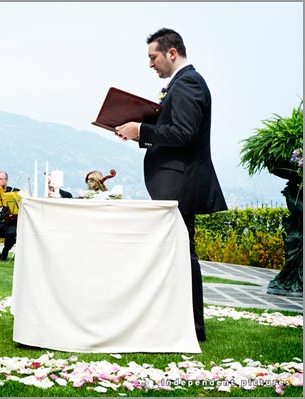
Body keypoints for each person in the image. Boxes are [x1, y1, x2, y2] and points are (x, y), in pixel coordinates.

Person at [115, 28, 227, 342]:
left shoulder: (188, 82)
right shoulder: (179, 84)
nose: (150, 64)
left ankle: (192, 326)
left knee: (183, 253)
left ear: (171, 53)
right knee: (178, 252)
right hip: (175, 183)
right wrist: (137, 129)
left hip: (181, 184)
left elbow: (184, 133)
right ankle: (182, 321)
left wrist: (143, 130)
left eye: (153, 57)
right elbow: (174, 129)